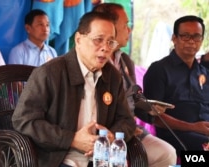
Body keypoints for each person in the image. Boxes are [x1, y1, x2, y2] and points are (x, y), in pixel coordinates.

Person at [12, 11, 136, 167]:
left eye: (110, 42)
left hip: (101, 159)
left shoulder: (113, 76)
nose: (105, 48)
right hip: (60, 159)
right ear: (78, 39)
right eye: (98, 40)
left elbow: (126, 120)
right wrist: (71, 139)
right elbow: (24, 120)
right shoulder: (50, 73)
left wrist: (110, 137)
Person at [92, 3, 177, 167]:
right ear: (108, 25)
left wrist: (149, 108)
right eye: (125, 25)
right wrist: (122, 129)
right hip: (105, 132)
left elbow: (133, 98)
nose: (129, 30)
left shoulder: (125, 61)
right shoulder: (92, 60)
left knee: (167, 154)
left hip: (129, 130)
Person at [143, 15, 209, 156]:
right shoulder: (159, 70)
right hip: (175, 136)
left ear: (202, 40)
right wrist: (194, 127)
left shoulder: (204, 73)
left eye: (196, 36)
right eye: (185, 36)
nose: (191, 41)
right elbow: (154, 116)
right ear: (174, 38)